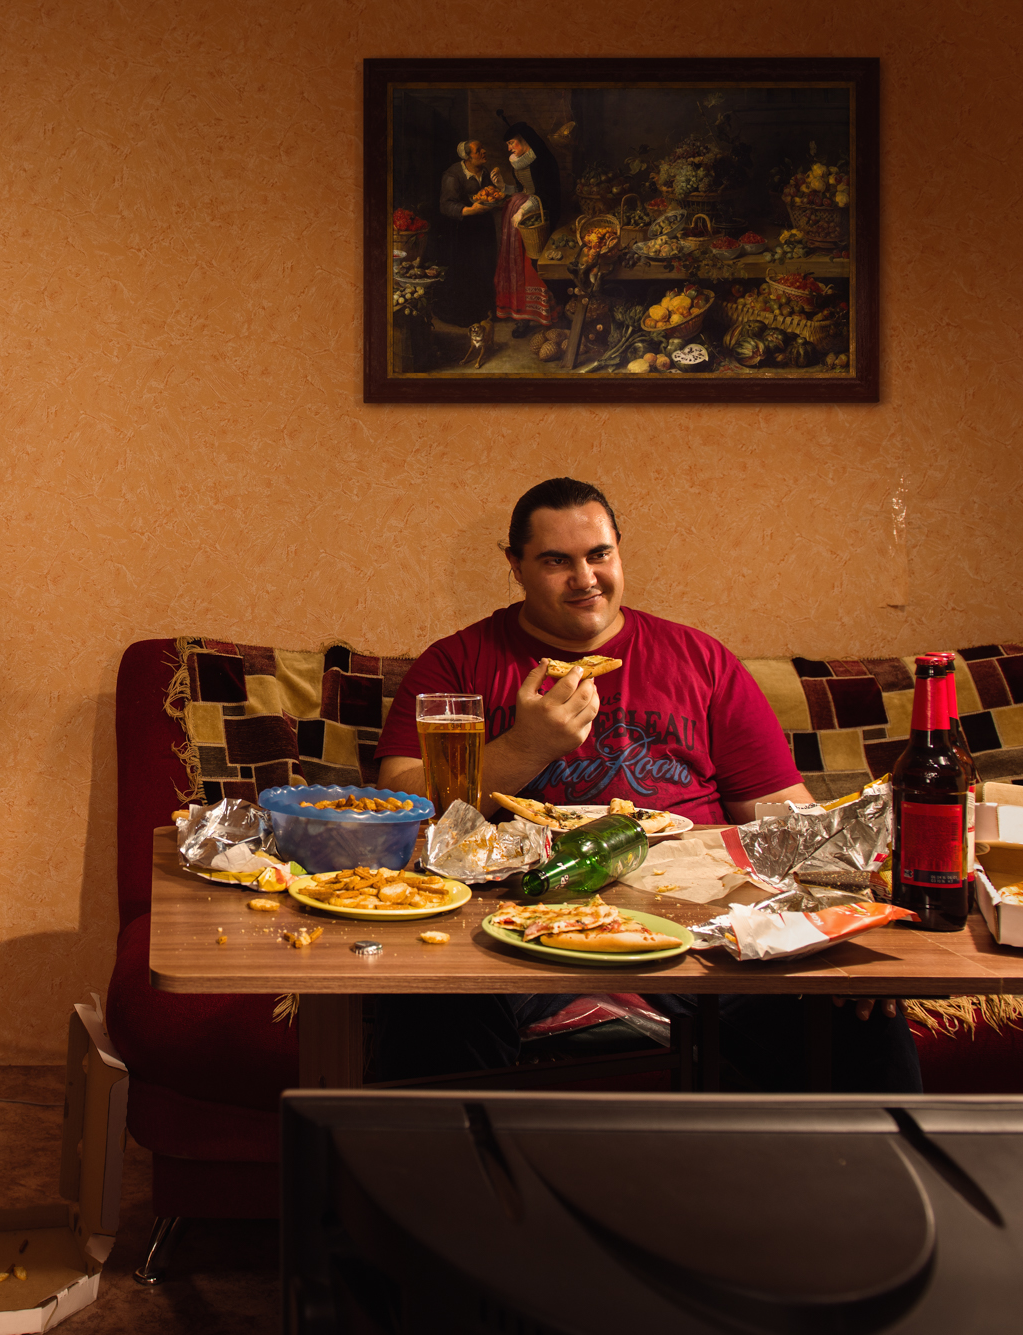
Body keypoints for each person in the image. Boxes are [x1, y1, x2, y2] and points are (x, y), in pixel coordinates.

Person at [370, 477, 920, 1093]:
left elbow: (784, 815)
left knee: (858, 1012)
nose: (585, 579)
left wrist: (841, 914)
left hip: (701, 935)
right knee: (419, 1001)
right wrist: (527, 747)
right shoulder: (457, 661)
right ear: (515, 567)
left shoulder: (700, 660)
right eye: (555, 561)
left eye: (599, 554)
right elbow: (399, 810)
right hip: (514, 929)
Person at [432, 140, 505, 365]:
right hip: (462, 230)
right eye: (478, 151)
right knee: (466, 270)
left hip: (483, 228)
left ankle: (485, 313)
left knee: (486, 266)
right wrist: (470, 210)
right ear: (467, 157)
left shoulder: (486, 172)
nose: (484, 152)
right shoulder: (453, 175)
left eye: (483, 148)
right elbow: (446, 205)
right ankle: (466, 316)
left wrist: (500, 188)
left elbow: (495, 197)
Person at [490, 122, 561, 338]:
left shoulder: (544, 160)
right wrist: (503, 187)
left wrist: (523, 211)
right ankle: (521, 316)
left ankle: (542, 314)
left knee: (532, 265)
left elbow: (545, 195)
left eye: (512, 143)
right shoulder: (517, 161)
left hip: (539, 218)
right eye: (508, 144)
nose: (509, 148)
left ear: (525, 141)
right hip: (518, 218)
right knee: (516, 264)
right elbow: (521, 190)